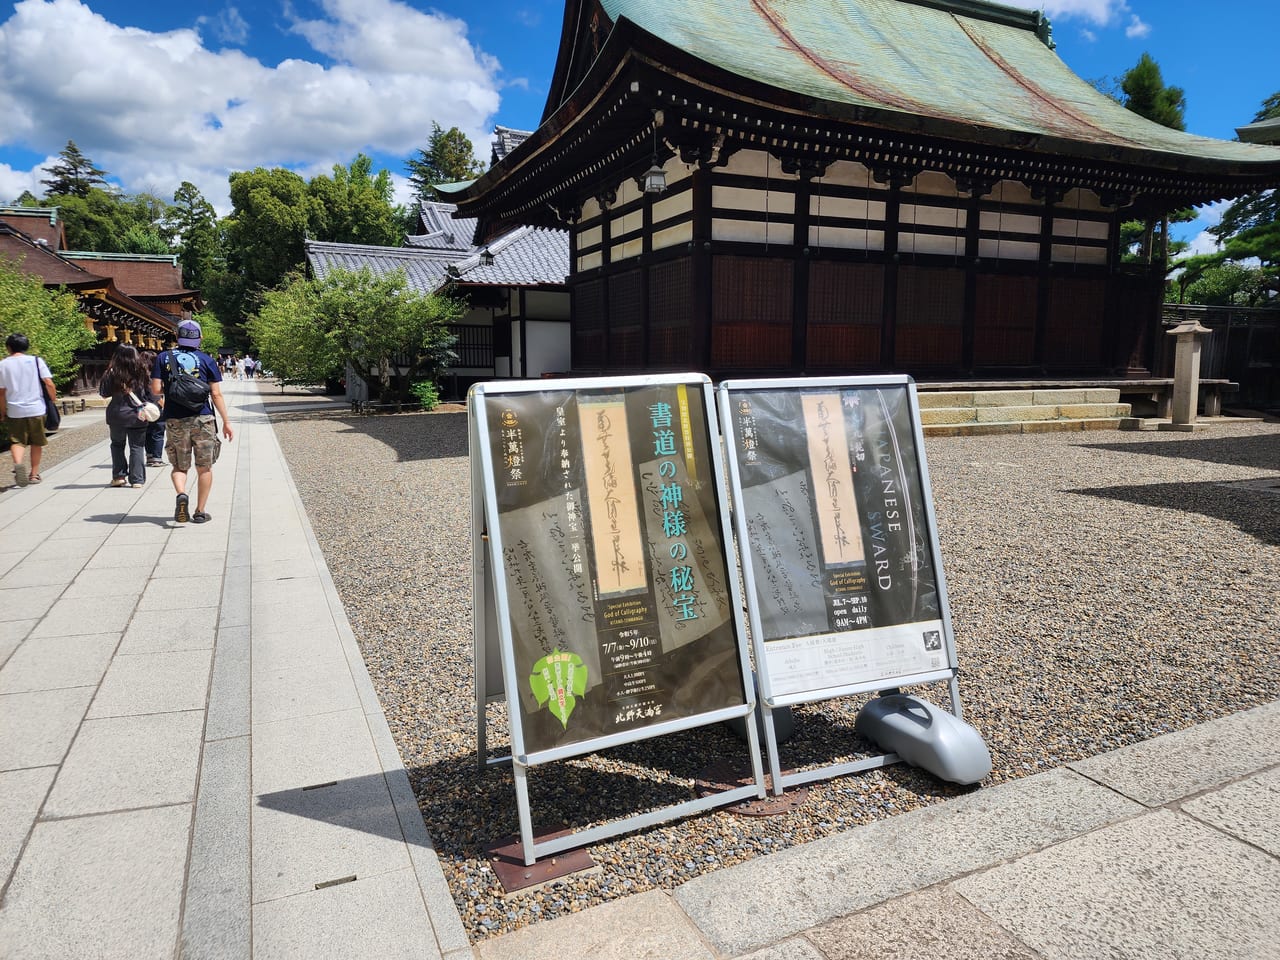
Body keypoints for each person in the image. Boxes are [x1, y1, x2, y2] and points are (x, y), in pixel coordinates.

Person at [151, 320, 233, 523]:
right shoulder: (207, 359)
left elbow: (155, 390)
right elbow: (216, 394)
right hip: (203, 418)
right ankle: (199, 511)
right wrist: (226, 421)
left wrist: (173, 390)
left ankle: (181, 494)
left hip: (175, 418)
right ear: (200, 338)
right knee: (204, 467)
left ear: (177, 336)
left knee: (180, 467)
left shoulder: (163, 358)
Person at [0, 332, 57, 487]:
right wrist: (53, 399)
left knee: (16, 441)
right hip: (36, 408)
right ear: (26, 346)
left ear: (9, 347)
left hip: (15, 409)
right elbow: (48, 383)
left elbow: (1, 392)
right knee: (36, 442)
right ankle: (34, 474)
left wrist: (2, 410)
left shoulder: (3, 364)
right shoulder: (36, 361)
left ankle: (18, 464)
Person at [99, 344, 155, 488]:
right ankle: (137, 480)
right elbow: (150, 394)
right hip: (138, 415)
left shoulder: (111, 373)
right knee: (137, 446)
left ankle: (119, 476)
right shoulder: (142, 372)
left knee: (117, 445)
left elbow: (104, 392)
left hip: (117, 414)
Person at [139, 350, 166, 466]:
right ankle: (156, 457)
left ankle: (149, 454)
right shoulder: (156, 376)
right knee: (158, 432)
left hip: (142, 407)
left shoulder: (138, 376)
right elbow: (158, 393)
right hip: (156, 406)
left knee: (146, 431)